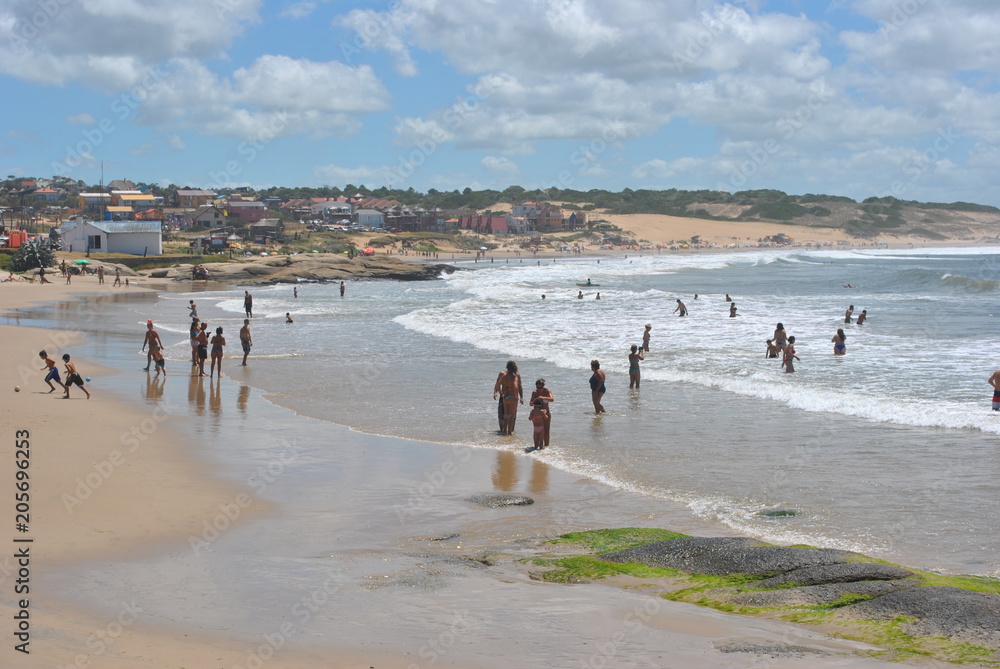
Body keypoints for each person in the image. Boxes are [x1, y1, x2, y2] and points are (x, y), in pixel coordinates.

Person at [493, 360, 523, 435]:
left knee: (506, 415)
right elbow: (518, 387)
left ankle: (504, 431)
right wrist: (519, 397)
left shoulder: (504, 376)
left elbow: (497, 384)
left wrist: (501, 393)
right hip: (513, 397)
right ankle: (509, 433)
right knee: (512, 416)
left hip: (505, 397)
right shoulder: (515, 376)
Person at [530, 379, 554, 447]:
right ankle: (536, 446)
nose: (539, 389)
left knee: (546, 430)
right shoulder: (534, 392)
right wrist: (536, 400)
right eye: (537, 387)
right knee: (537, 430)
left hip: (546, 412)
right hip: (537, 414)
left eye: (540, 387)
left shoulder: (547, 391)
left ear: (543, 386)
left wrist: (543, 397)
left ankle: (546, 446)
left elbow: (552, 399)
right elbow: (530, 404)